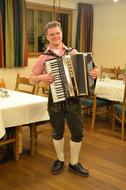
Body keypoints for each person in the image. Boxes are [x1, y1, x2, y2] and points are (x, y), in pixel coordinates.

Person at [30, 21, 99, 177]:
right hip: (55, 100)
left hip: (73, 100)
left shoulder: (73, 52)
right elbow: (31, 78)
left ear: (61, 34)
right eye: (52, 34)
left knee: (77, 132)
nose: (55, 36)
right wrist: (42, 76)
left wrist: (94, 73)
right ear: (47, 37)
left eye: (58, 33)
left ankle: (74, 163)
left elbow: (89, 69)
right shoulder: (44, 57)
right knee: (57, 132)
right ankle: (60, 159)